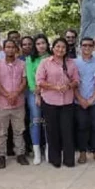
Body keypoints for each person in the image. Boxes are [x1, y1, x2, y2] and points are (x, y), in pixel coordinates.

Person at [36, 38, 80, 168]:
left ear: (66, 49)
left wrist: (70, 85)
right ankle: (55, 159)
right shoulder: (45, 63)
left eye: (63, 47)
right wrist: (55, 87)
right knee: (52, 131)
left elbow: (77, 80)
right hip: (50, 101)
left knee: (67, 131)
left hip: (67, 102)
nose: (60, 49)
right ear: (53, 48)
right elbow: (40, 81)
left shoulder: (71, 63)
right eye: (58, 47)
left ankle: (69, 160)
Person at [0, 39, 29, 168]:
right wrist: (7, 95)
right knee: (2, 131)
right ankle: (1, 156)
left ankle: (20, 154)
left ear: (16, 49)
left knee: (19, 130)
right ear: (3, 49)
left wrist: (15, 94)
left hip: (18, 103)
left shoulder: (22, 64)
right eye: (7, 47)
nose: (10, 49)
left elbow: (24, 81)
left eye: (12, 47)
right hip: (2, 103)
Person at [74, 37, 95, 164]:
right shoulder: (74, 63)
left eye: (90, 45)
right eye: (84, 45)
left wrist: (92, 98)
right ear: (80, 47)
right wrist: (80, 99)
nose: (87, 47)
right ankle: (82, 153)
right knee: (82, 127)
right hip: (79, 101)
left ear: (93, 47)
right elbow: (73, 83)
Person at [26, 34, 50, 164]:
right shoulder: (30, 59)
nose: (41, 46)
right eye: (38, 43)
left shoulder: (52, 57)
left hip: (50, 93)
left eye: (43, 43)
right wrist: (37, 93)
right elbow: (30, 78)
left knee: (48, 121)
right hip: (34, 92)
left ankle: (48, 149)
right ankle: (36, 153)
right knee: (35, 120)